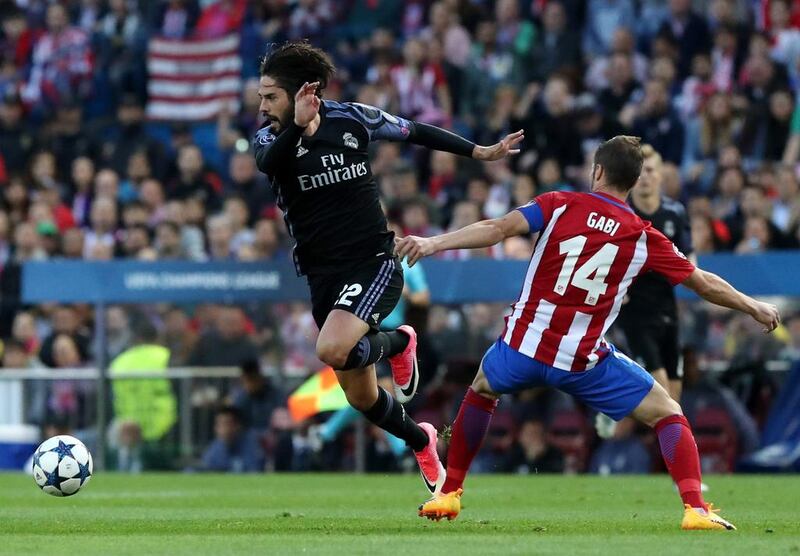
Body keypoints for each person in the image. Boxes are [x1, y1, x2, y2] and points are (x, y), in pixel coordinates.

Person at [397, 136, 780, 530]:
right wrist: (753, 305)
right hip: (582, 361)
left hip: (522, 347)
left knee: (480, 390)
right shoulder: (643, 236)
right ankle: (696, 509)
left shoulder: (559, 204)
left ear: (597, 171)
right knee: (668, 413)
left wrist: (433, 243)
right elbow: (702, 283)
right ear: (632, 182)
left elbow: (497, 228)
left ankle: (450, 493)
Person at [253, 41, 523, 494]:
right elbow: (268, 163)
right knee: (359, 395)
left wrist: (478, 152)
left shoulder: (353, 119)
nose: (262, 106)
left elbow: (414, 130)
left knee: (332, 349)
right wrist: (295, 128)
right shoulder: (269, 137)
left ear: (303, 91)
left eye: (269, 96)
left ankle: (400, 341)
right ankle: (422, 439)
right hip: (323, 275)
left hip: (375, 260)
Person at [596, 145, 693, 439]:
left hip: (667, 310)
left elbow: (689, 260)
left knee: (673, 397)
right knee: (659, 385)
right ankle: (614, 408)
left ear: (661, 174)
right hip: (634, 313)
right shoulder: (622, 214)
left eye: (651, 170)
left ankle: (617, 408)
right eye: (642, 172)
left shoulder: (675, 213)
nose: (646, 177)